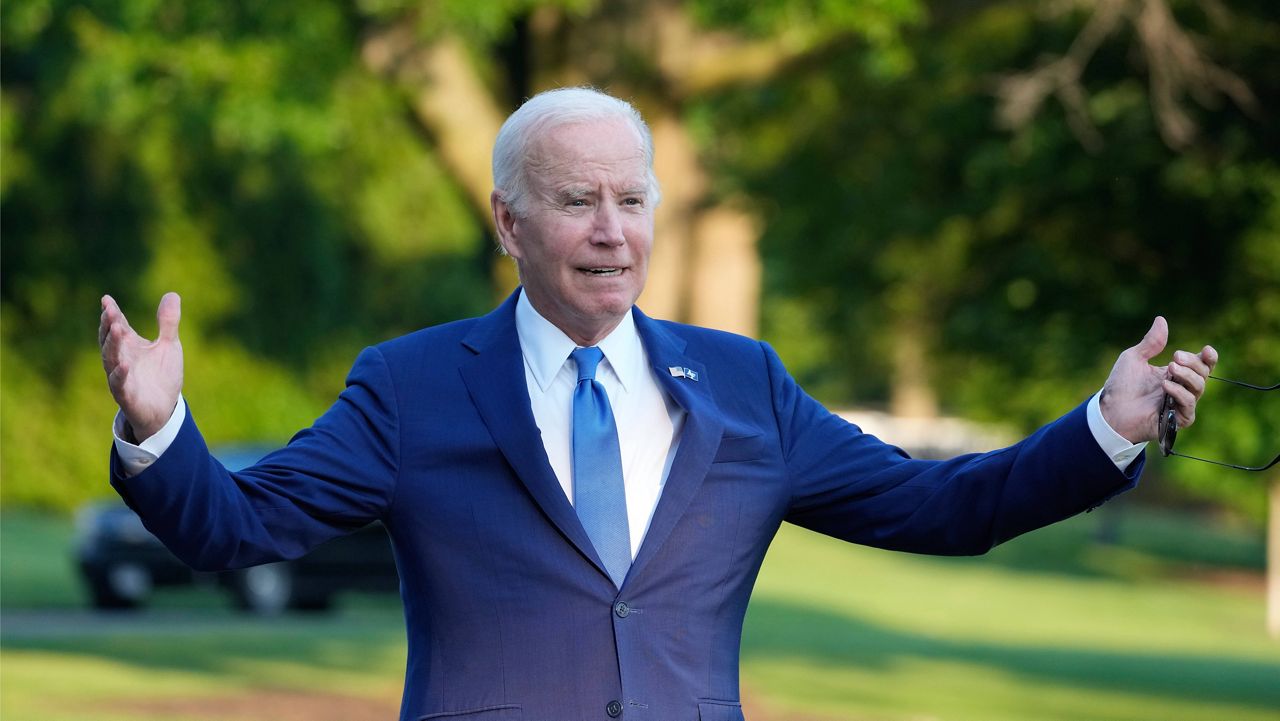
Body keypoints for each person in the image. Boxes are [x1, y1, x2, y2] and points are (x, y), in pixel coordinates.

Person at [99, 87, 1217, 721]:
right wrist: (159, 426)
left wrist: (1102, 427)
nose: (610, 229)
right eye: (576, 200)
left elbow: (941, 508)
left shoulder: (744, 385)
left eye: (631, 199)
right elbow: (234, 527)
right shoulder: (410, 386)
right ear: (506, 221)